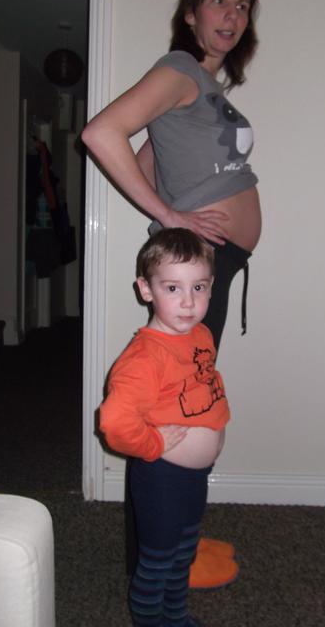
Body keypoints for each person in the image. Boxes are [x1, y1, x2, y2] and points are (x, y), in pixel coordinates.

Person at [82, 0, 261, 588]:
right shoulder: (179, 70)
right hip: (200, 263)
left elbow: (142, 160)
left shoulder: (201, 86)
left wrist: (167, 209)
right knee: (174, 406)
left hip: (215, 263)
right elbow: (101, 133)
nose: (232, 15)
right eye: (218, 1)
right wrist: (169, 216)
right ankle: (158, 561)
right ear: (190, 12)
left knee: (187, 401)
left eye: (242, 6)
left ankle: (174, 542)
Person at [100, 228, 229, 627]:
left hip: (194, 477)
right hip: (161, 477)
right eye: (173, 287)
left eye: (199, 287)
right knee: (157, 562)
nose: (188, 301)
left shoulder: (200, 334)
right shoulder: (144, 358)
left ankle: (175, 617)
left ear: (211, 287)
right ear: (146, 289)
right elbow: (114, 422)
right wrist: (153, 443)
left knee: (183, 554)